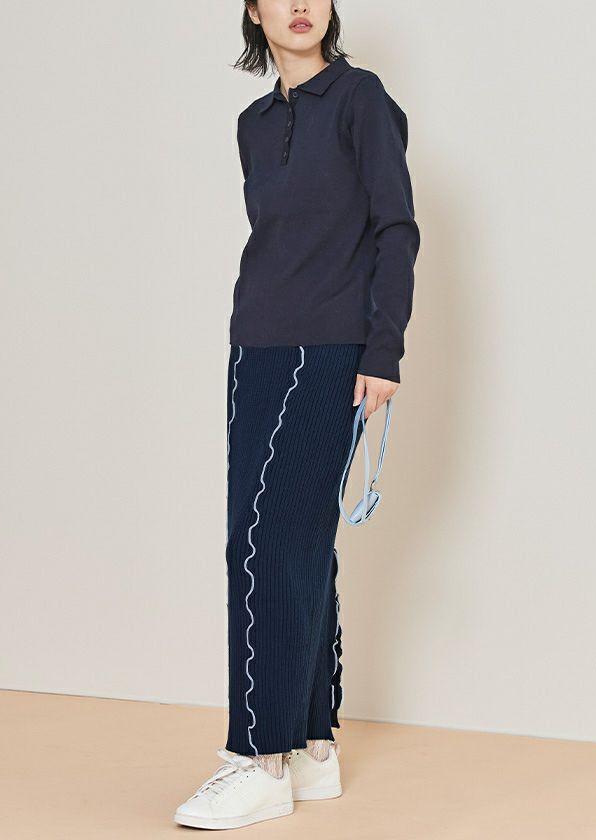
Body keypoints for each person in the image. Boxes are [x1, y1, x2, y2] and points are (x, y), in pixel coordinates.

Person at [174, 1, 420, 829]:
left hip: (332, 349)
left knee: (266, 541)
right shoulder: (252, 124)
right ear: (254, 12)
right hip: (256, 347)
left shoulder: (361, 99)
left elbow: (396, 229)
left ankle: (261, 757)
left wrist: (382, 350)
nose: (301, 5)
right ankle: (312, 747)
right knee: (295, 539)